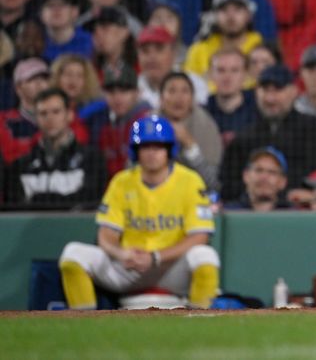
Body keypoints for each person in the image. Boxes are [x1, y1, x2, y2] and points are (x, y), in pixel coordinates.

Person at [58, 114, 220, 309]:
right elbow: (106, 235)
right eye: (145, 147)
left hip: (170, 268)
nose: (151, 153)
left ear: (169, 150)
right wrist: (120, 253)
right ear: (136, 151)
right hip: (129, 266)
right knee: (72, 253)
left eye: (158, 146)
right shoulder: (121, 181)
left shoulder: (190, 181)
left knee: (205, 255)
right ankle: (82, 328)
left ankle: (199, 323)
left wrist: (156, 257)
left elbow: (200, 236)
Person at [219, 64, 316, 200]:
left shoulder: (312, 129)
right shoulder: (243, 135)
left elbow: (314, 177)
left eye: (277, 90)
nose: (270, 98)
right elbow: (228, 185)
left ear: (294, 91)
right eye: (265, 90)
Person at [4, 87, 106, 209]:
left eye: (56, 112)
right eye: (43, 113)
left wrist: (37, 200)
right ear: (36, 119)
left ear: (69, 115)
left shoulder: (92, 160)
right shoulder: (20, 166)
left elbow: (92, 204)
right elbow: (14, 210)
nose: (50, 119)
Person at [184, 0, 263, 83]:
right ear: (214, 16)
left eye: (237, 9)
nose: (231, 16)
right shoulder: (198, 51)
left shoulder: (262, 51)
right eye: (224, 9)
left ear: (249, 15)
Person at [158, 71, 222, 191]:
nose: (178, 98)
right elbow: (132, 170)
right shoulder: (148, 124)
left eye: (185, 91)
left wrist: (190, 146)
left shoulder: (206, 127)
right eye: (172, 91)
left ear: (192, 98)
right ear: (161, 99)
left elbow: (211, 183)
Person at [83, 64, 151, 177]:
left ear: (137, 93)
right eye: (111, 92)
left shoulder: (148, 123)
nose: (117, 98)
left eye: (124, 91)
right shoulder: (101, 124)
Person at [0, 58, 51, 165]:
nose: (39, 83)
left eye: (44, 78)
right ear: (18, 88)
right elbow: (8, 155)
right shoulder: (4, 120)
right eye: (31, 79)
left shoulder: (64, 116)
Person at [206, 48, 259, 147]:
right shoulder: (202, 114)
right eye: (221, 70)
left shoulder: (260, 111)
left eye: (235, 70)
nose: (227, 77)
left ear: (246, 74)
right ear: (210, 74)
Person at [224, 145, 290, 211]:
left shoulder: (292, 214)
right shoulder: (226, 212)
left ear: (283, 182)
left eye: (271, 172)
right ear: (246, 176)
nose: (264, 177)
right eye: (259, 170)